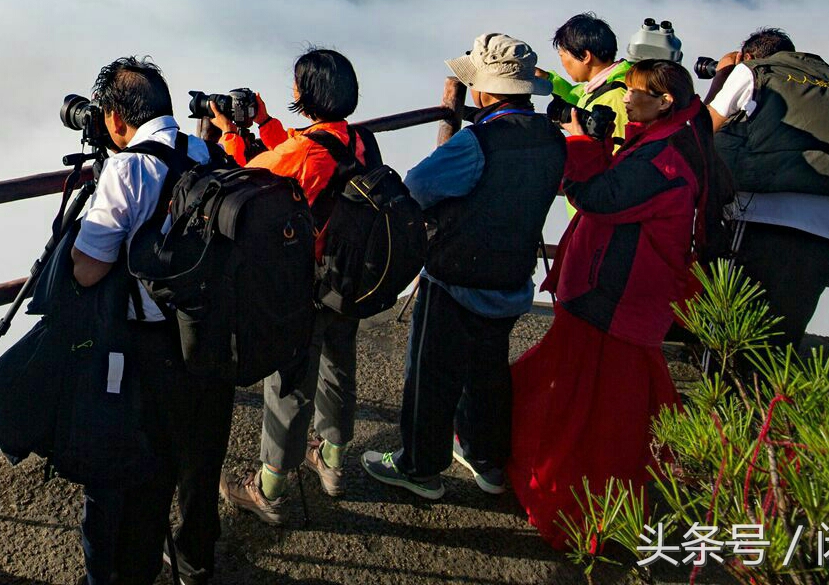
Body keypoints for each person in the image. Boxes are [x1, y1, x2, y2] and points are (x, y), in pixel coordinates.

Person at [508, 59, 712, 547]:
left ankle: (577, 505)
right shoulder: (673, 140)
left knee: (593, 412)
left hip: (614, 297)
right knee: (612, 406)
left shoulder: (662, 161)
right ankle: (609, 502)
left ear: (664, 102)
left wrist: (580, 142)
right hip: (621, 295)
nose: (625, 100)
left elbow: (600, 198)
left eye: (636, 93)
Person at [360, 34, 564, 500]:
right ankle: (487, 460)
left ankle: (420, 467)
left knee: (431, 375)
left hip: (454, 279)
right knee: (488, 371)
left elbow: (418, 186)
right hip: (512, 280)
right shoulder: (552, 138)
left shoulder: (476, 143)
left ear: (482, 92)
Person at [69, 57, 231, 585]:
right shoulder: (205, 151)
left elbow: (88, 271)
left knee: (150, 471)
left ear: (116, 119)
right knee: (202, 460)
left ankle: (139, 567)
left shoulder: (127, 169)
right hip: (213, 328)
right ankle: (195, 562)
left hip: (157, 343)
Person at [213, 48, 368, 521]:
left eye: (298, 82)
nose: (293, 88)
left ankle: (270, 489)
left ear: (310, 93)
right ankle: (334, 464)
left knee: (290, 385)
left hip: (310, 283)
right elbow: (308, 155)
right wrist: (264, 123)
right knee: (339, 366)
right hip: (351, 277)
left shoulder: (303, 151)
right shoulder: (358, 139)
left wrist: (231, 137)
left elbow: (250, 180)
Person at [707, 28, 829, 348]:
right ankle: (772, 396)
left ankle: (724, 392)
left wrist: (724, 75)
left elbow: (703, 128)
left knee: (731, 322)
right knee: (785, 329)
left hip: (764, 210)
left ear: (747, 55)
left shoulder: (752, 70)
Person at [545, 13, 632, 144]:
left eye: (562, 55)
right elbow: (575, 96)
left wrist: (580, 140)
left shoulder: (616, 98)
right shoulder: (601, 87)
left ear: (585, 56)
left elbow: (617, 155)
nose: (562, 62)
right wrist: (548, 79)